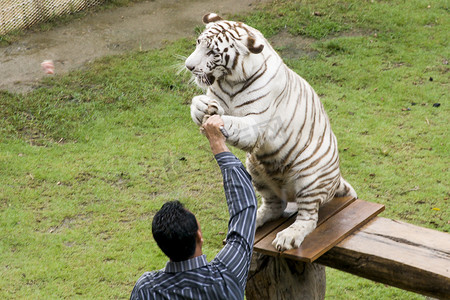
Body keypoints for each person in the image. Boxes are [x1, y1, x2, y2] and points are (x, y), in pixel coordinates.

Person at [130, 115, 258, 300]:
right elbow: (245, 208)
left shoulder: (147, 289)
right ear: (199, 236)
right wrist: (218, 144)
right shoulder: (226, 276)